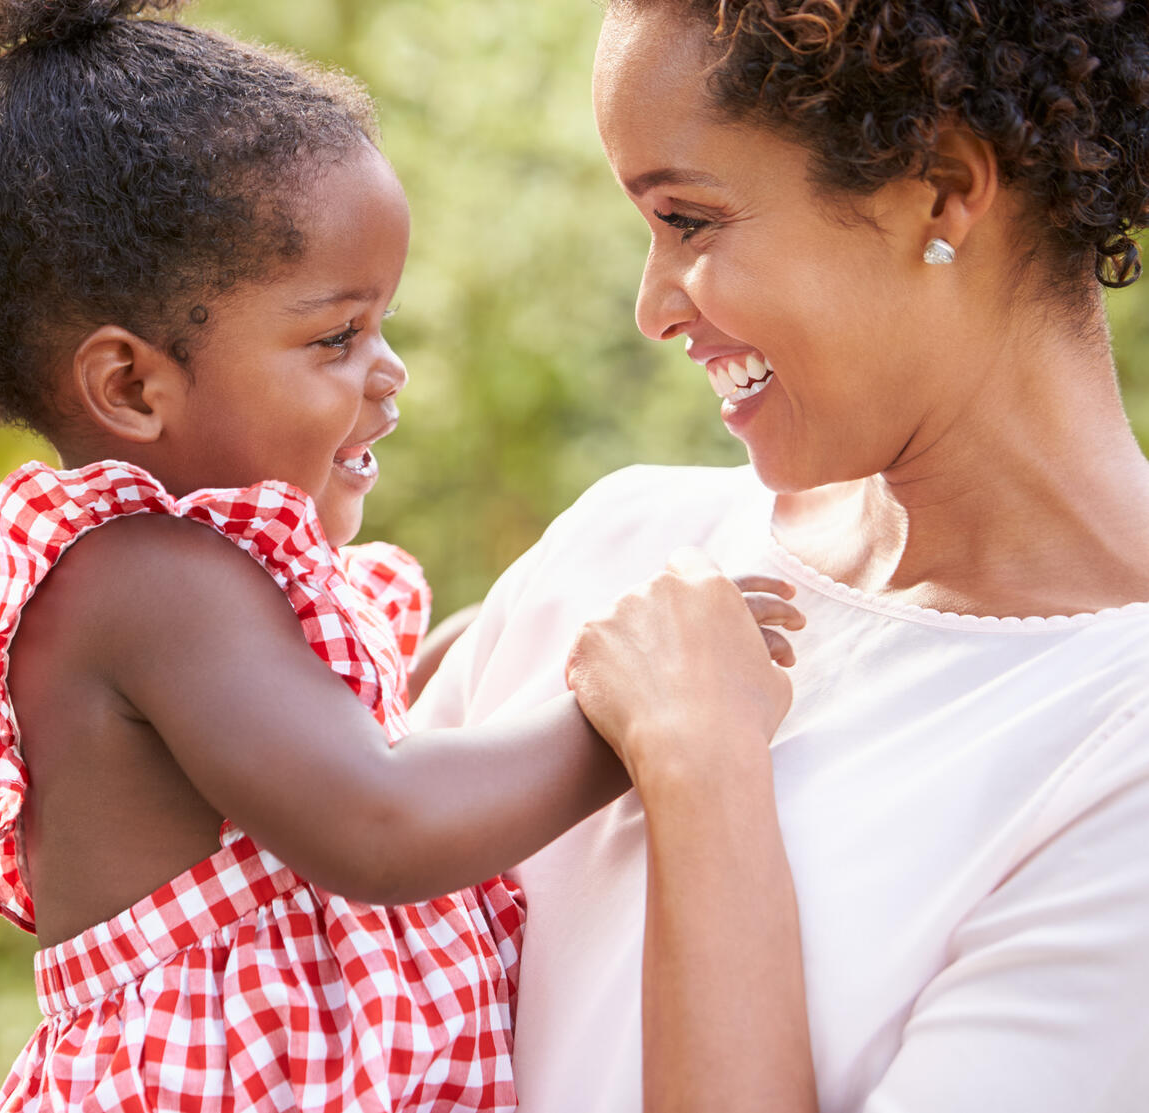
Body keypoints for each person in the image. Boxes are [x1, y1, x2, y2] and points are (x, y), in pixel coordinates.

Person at [0, 2, 802, 1110]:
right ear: (130, 386)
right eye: (333, 338)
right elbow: (379, 824)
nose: (387, 373)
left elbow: (324, 756)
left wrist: (496, 651)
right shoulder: (145, 579)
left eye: (379, 326)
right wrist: (642, 716)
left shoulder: (209, 589)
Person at [415, 2, 1149, 1111]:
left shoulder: (1116, 749)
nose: (651, 309)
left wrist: (699, 771)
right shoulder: (618, 546)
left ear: (940, 189)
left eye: (688, 220)